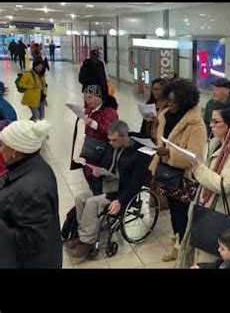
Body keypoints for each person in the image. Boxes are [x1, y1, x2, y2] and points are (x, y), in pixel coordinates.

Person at [177, 106, 230, 268]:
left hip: (223, 210)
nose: (211, 125)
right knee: (197, 248)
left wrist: (199, 169)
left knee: (212, 254)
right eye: (211, 121)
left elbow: (225, 185)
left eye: (216, 122)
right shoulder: (215, 143)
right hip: (205, 205)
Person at [68, 120, 152, 261]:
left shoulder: (140, 154)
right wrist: (99, 171)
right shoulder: (114, 146)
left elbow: (135, 183)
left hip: (122, 191)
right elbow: (107, 164)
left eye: (114, 140)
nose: (111, 143)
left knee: (93, 203)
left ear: (125, 137)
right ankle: (83, 234)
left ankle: (87, 242)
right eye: (110, 140)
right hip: (109, 183)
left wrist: (120, 201)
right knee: (80, 199)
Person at [149, 78, 207, 262]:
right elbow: (160, 139)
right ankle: (177, 236)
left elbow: (194, 156)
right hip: (167, 170)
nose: (171, 105)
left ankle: (181, 246)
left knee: (181, 211)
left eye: (176, 102)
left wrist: (169, 153)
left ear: (186, 102)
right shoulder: (166, 116)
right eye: (169, 100)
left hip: (183, 175)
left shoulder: (195, 124)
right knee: (173, 209)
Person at [0, 120, 62, 268]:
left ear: (15, 152)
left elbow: (32, 240)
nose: (1, 150)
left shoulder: (33, 190)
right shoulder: (33, 165)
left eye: (3, 146)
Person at [82, 85, 119, 195]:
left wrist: (93, 124)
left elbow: (110, 131)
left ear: (99, 97)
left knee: (99, 184)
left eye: (90, 97)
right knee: (91, 180)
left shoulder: (110, 112)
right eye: (85, 97)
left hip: (102, 154)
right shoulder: (90, 111)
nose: (87, 100)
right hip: (90, 152)